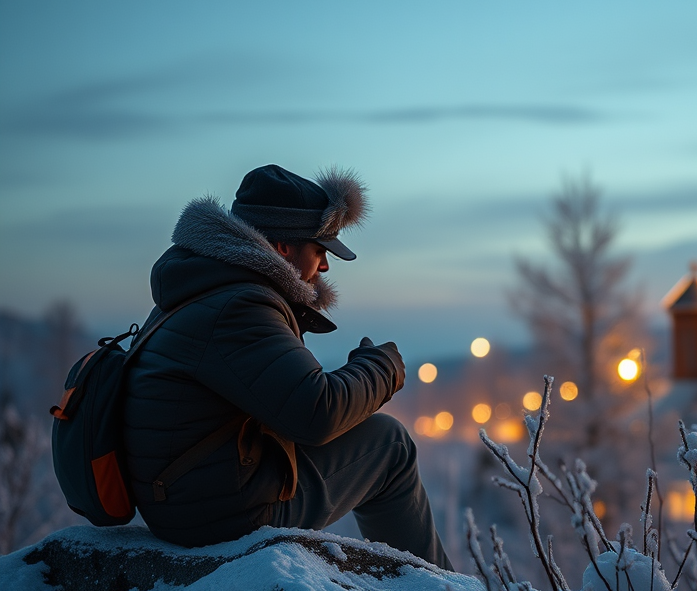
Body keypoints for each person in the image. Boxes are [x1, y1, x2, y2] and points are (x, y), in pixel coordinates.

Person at [122, 164, 451, 570]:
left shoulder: (201, 291)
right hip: (219, 515)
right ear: (281, 246)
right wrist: (382, 367)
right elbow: (317, 412)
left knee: (369, 436)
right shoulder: (238, 306)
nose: (326, 265)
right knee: (389, 443)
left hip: (183, 496)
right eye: (319, 249)